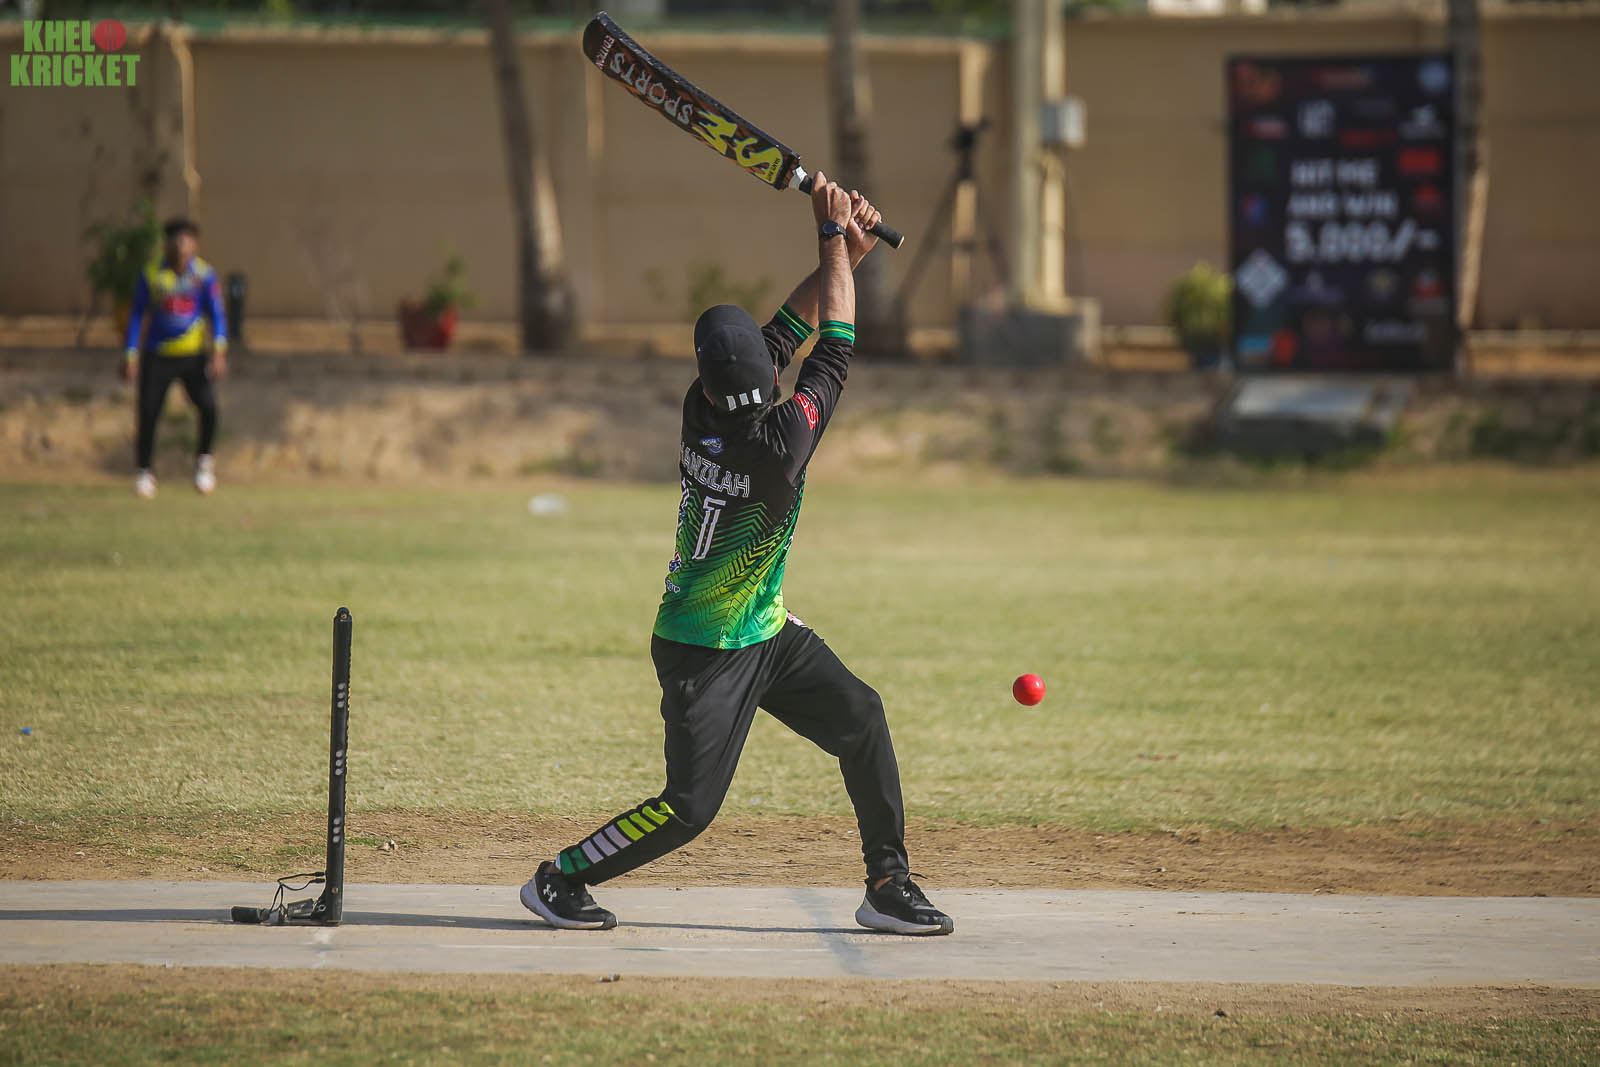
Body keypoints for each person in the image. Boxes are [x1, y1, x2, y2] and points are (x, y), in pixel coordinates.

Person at [520, 174, 953, 936]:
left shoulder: (701, 407)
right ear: (761, 382)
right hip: (703, 649)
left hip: (763, 629)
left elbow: (793, 326)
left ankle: (888, 882)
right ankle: (561, 877)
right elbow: (835, 346)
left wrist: (847, 254)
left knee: (861, 715)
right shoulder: (780, 449)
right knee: (689, 807)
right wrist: (830, 237)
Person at [122, 217, 228, 498]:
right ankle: (144, 471)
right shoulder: (152, 274)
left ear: (195, 244)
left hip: (193, 356)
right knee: (147, 413)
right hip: (157, 356)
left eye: (186, 239)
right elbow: (136, 315)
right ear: (166, 243)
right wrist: (130, 354)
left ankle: (204, 463)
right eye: (175, 239)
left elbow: (217, 315)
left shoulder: (204, 275)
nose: (181, 245)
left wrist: (219, 351)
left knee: (209, 408)